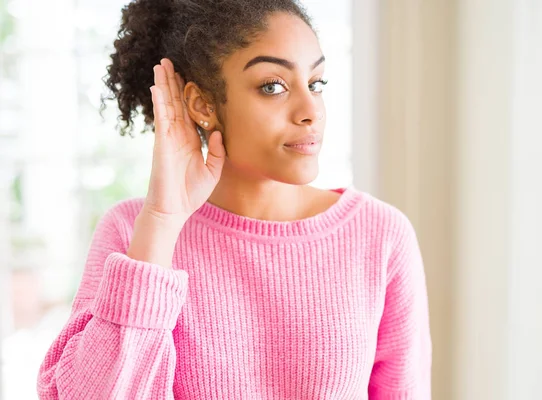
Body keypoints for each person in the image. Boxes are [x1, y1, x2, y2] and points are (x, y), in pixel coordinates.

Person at [36, 0, 432, 398]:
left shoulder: (379, 235)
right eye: (273, 86)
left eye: (315, 83)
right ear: (203, 104)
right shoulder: (132, 234)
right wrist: (161, 222)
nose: (311, 110)